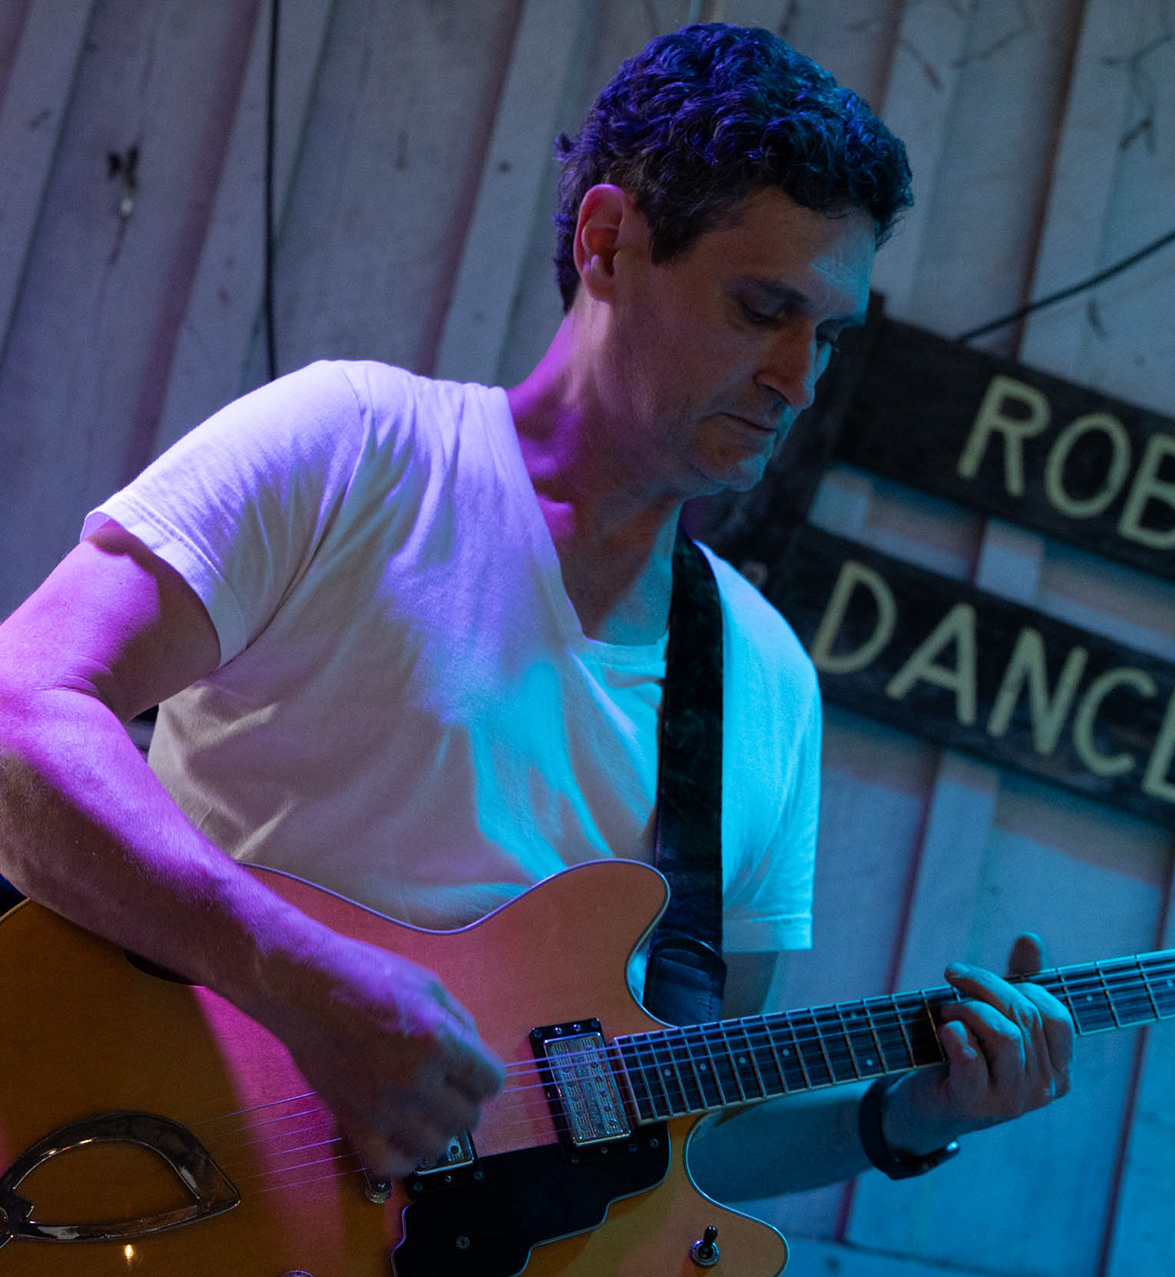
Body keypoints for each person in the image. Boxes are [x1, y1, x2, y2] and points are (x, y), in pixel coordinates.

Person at [0, 23, 1069, 1204]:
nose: (799, 377)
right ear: (608, 240)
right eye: (764, 307)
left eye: (829, 334)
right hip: (144, 1180)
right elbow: (18, 710)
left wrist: (909, 1112)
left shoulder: (769, 684)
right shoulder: (354, 447)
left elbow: (673, 1141)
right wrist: (289, 973)